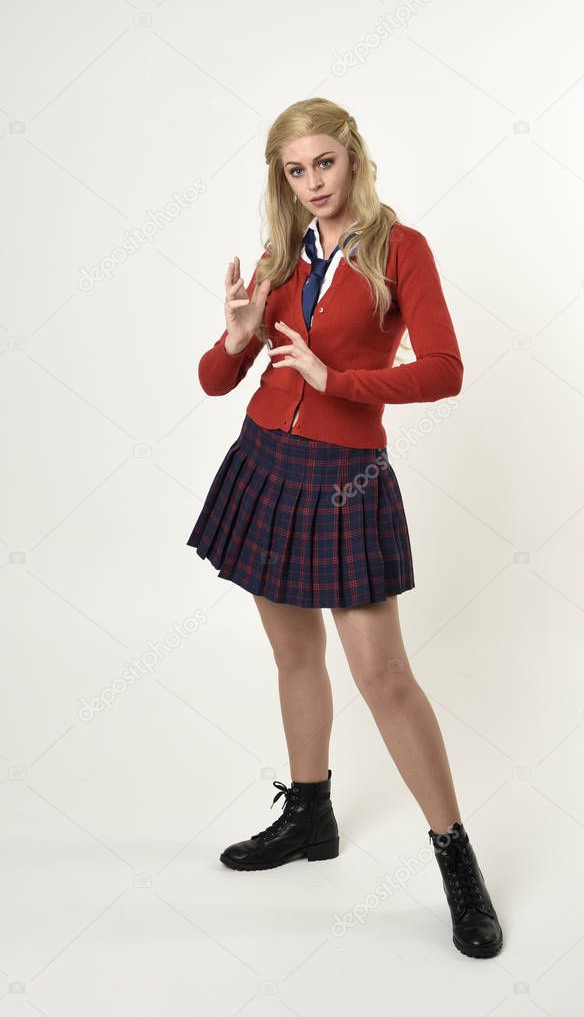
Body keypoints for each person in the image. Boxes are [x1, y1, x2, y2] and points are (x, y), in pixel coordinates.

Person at [186, 97, 503, 959]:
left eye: (323, 162)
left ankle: (456, 862)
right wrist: (237, 334)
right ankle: (311, 816)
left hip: (345, 480)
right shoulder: (283, 255)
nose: (312, 182)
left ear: (354, 157)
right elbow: (220, 381)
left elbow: (445, 371)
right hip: (263, 465)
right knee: (294, 655)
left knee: (385, 675)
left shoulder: (403, 250)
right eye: (295, 170)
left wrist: (338, 379)